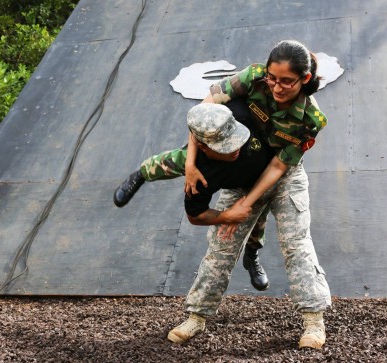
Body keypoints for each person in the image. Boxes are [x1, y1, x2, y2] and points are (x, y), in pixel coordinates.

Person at [168, 39, 331, 349]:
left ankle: (313, 321)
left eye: (287, 81)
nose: (277, 87)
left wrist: (247, 202)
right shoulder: (252, 77)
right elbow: (204, 114)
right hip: (243, 172)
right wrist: (190, 163)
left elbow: (279, 165)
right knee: (222, 242)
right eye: (273, 78)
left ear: (304, 79)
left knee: (297, 244)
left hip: (283, 178)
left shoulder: (312, 120)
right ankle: (196, 317)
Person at [114, 99, 273, 291]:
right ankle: (141, 173)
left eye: (235, 139)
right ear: (203, 146)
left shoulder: (238, 114)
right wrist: (226, 216)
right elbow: (195, 215)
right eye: (226, 147)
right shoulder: (200, 177)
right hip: (214, 169)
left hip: (258, 179)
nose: (235, 148)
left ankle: (252, 255)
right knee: (173, 161)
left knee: (259, 217)